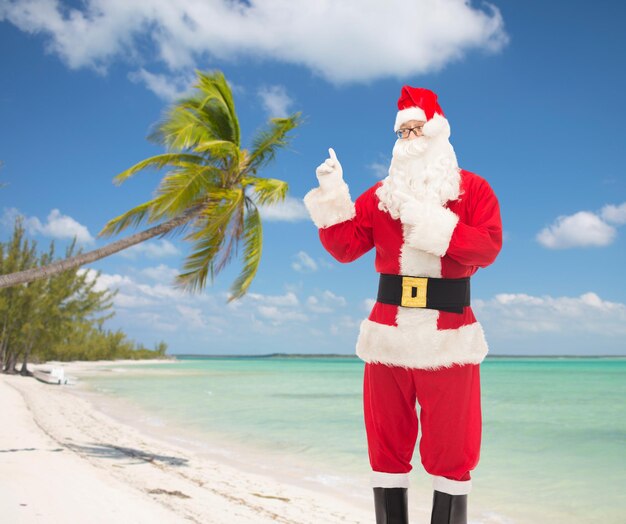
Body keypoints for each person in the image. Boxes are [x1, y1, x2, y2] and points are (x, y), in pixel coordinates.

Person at [303, 86, 502, 524]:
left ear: (438, 134)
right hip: (387, 336)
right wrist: (332, 192)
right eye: (403, 132)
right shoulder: (381, 196)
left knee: (453, 449)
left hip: (449, 337)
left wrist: (431, 224)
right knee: (385, 446)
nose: (410, 139)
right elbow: (345, 246)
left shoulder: (473, 190)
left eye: (418, 130)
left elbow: (487, 248)